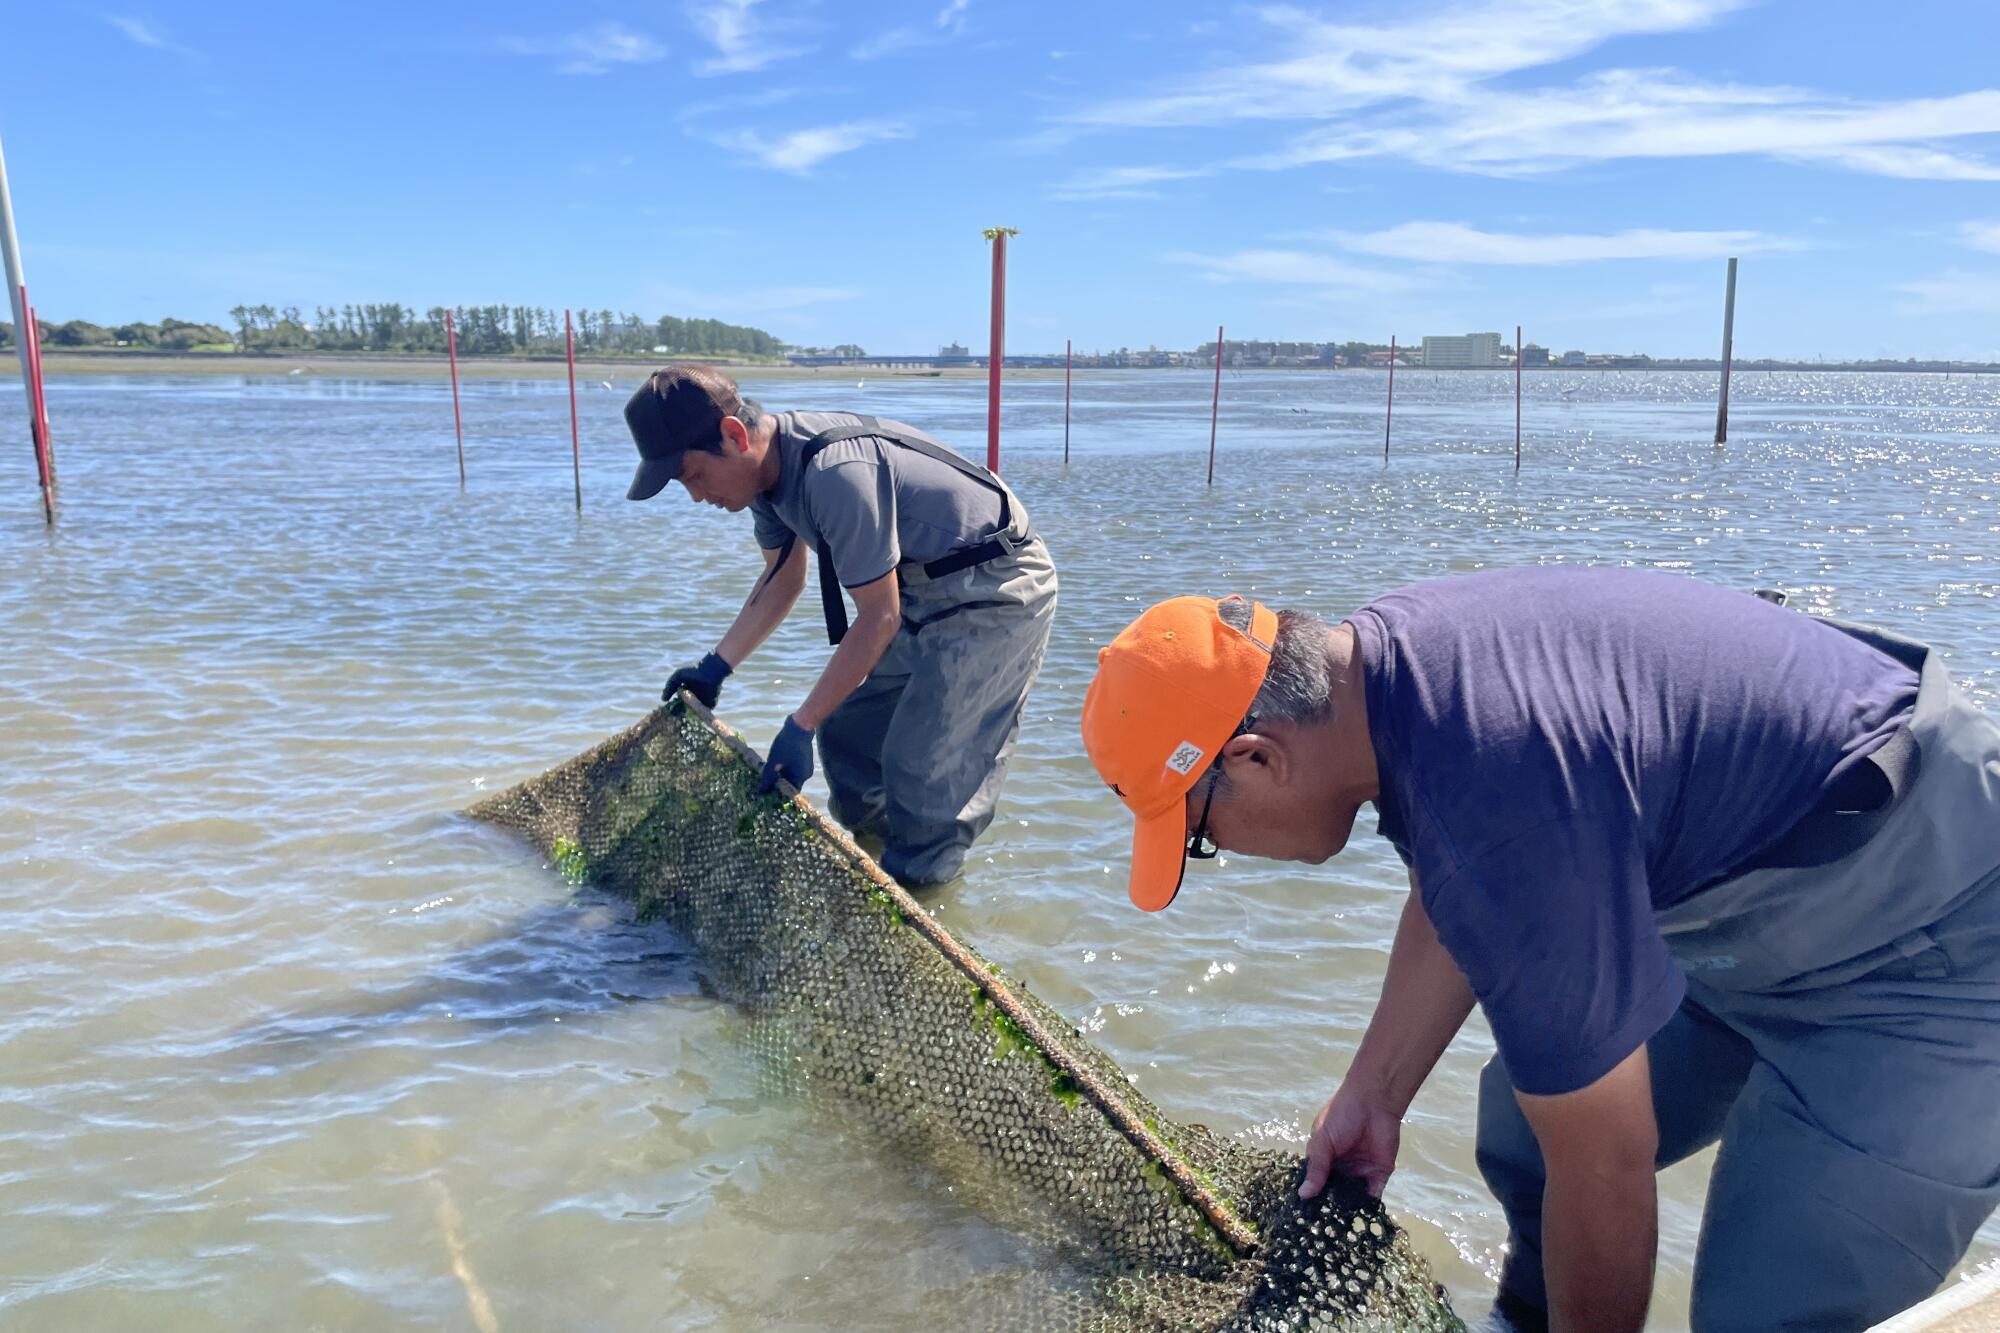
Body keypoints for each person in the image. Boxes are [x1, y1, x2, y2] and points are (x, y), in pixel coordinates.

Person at [1078, 566, 2000, 1333]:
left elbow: (1607, 1159)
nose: (1221, 856)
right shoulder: (1387, 679)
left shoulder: (1502, 792)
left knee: (1765, 1308)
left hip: (1932, 939)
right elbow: (1457, 884)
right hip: (1746, 906)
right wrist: (1373, 1093)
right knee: (1527, 1134)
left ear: (1254, 758)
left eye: (1202, 836)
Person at [626, 365, 1057, 887]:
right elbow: (783, 579)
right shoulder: (764, 481)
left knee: (923, 774)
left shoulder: (834, 474)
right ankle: (882, 868)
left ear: (734, 436)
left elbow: (879, 616)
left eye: (693, 476)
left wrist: (798, 723)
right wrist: (715, 669)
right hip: (921, 589)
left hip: (994, 590)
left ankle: (924, 888)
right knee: (849, 739)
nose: (696, 496)